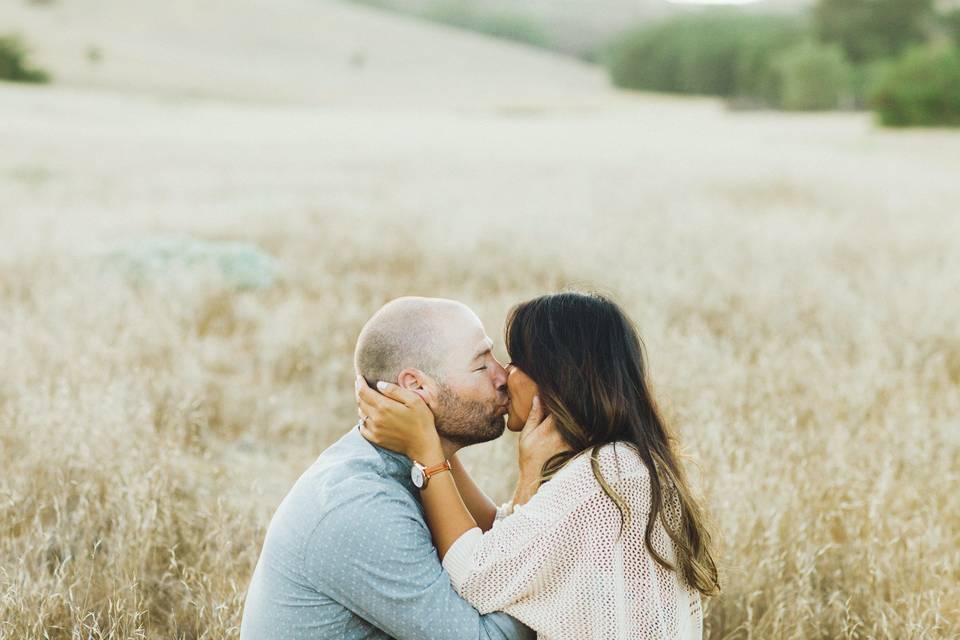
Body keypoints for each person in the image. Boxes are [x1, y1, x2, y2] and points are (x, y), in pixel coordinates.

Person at [357, 291, 720, 639]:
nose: (501, 376)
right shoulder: (623, 465)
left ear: (556, 377)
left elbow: (476, 576)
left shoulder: (604, 477)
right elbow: (514, 551)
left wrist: (427, 455)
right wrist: (521, 474)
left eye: (515, 361)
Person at [240, 297, 534, 640]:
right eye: (481, 365)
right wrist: (561, 565)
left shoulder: (412, 461)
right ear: (416, 387)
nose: (504, 377)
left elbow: (489, 550)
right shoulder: (363, 505)